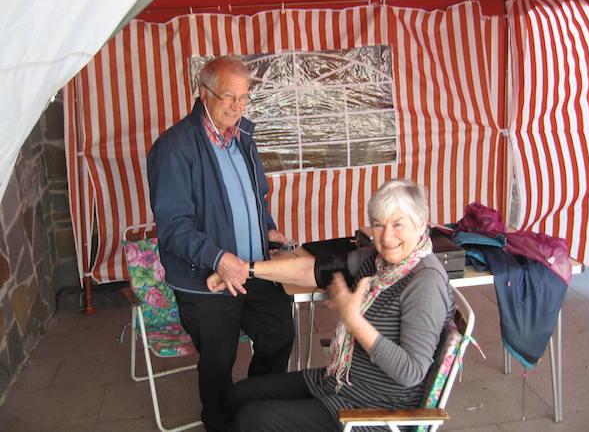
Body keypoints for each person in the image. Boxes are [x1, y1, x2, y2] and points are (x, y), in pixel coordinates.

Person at [209, 179, 455, 431]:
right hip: (340, 382)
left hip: (373, 409)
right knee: (239, 395)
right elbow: (313, 270)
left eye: (398, 224)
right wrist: (244, 270)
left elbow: (410, 371)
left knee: (252, 419)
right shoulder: (378, 261)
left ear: (422, 224)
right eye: (379, 225)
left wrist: (353, 320)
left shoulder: (425, 283)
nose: (386, 236)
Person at [146, 56, 294, 432]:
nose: (237, 107)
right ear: (203, 93)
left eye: (244, 98)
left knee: (278, 333)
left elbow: (255, 198)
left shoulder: (243, 136)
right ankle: (220, 421)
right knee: (219, 356)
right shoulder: (174, 148)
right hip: (204, 278)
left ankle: (257, 408)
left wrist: (268, 232)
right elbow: (174, 227)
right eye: (229, 96)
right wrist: (218, 258)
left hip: (252, 268)